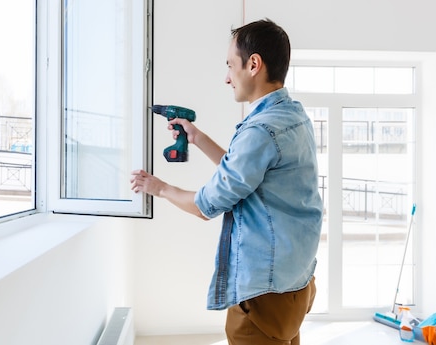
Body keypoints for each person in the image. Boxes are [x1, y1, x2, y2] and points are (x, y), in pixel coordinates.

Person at [130, 19, 323, 345]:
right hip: (294, 288)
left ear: (253, 64)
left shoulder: (260, 131)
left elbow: (208, 205)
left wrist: (160, 188)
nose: (226, 77)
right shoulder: (294, 117)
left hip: (261, 300)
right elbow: (249, 177)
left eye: (230, 66)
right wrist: (199, 138)